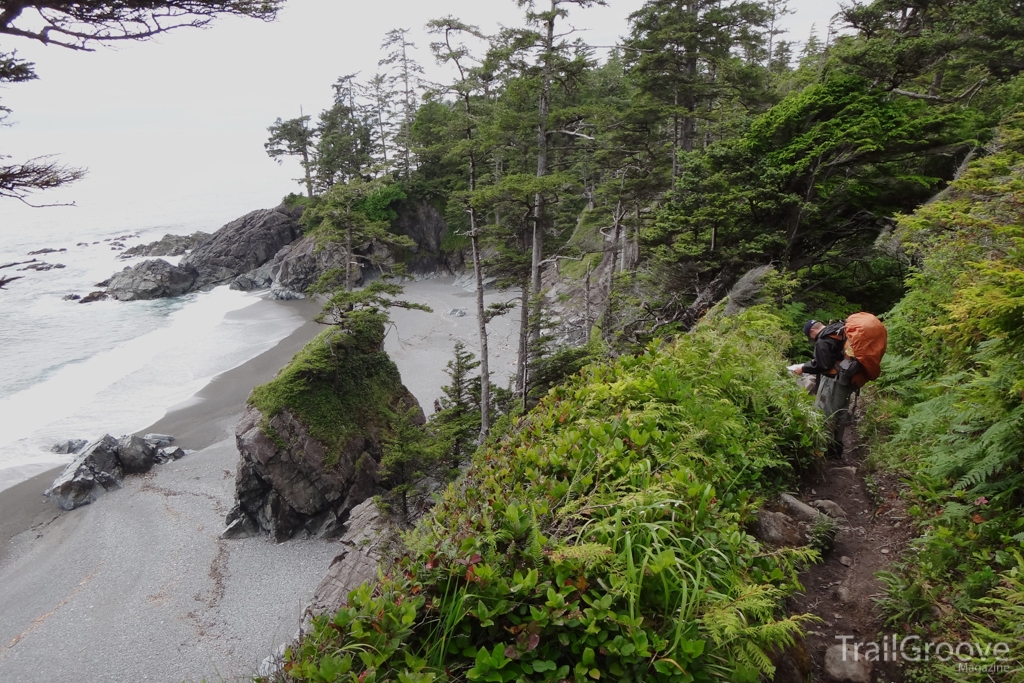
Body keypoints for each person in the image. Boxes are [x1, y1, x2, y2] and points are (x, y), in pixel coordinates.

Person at [792, 319, 855, 422]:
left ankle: (826, 437)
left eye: (810, 336)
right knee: (842, 409)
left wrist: (803, 368)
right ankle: (838, 437)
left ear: (812, 331)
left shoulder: (824, 339)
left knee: (826, 411)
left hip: (834, 379)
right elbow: (834, 355)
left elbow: (823, 365)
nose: (812, 339)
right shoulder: (838, 330)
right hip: (848, 375)